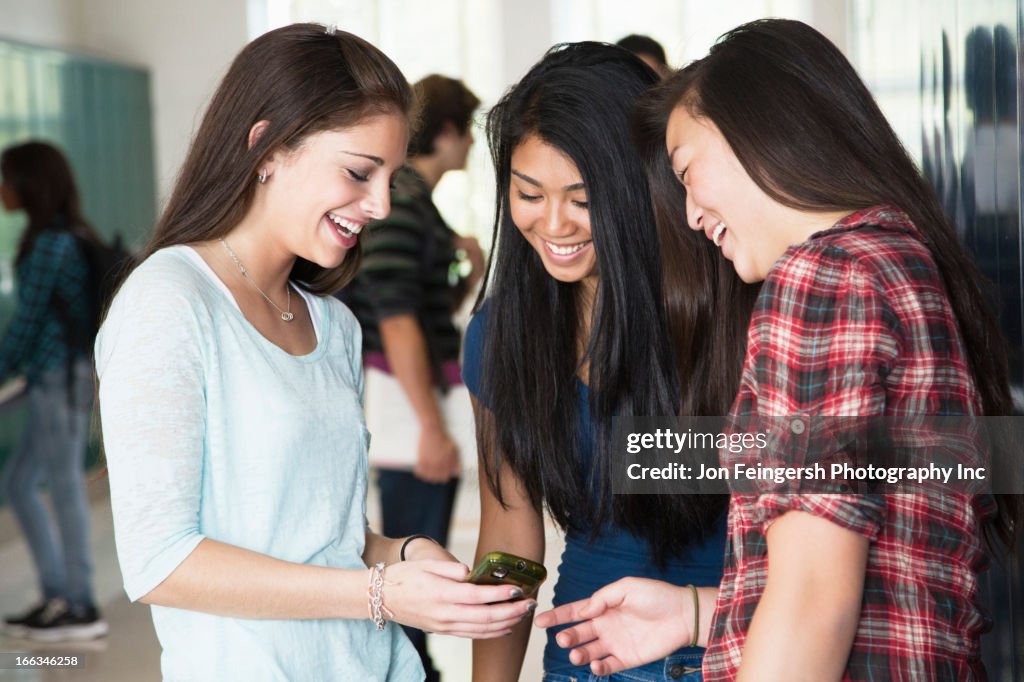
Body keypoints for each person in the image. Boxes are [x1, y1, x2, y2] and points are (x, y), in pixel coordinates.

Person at [537, 19, 1020, 682]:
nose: (690, 217)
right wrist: (698, 614)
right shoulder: (897, 258)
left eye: (685, 172)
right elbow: (888, 585)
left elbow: (815, 596)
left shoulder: (821, 279)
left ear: (755, 132)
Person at [94, 24, 535, 681]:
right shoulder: (169, 302)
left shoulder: (333, 323)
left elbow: (322, 539)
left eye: (390, 176)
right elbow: (162, 561)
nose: (381, 204)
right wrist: (380, 593)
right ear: (266, 148)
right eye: (359, 172)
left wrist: (404, 554)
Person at [466, 42, 754, 681]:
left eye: (583, 198)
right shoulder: (502, 335)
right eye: (529, 193)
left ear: (638, 187)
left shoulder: (737, 302)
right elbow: (510, 533)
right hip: (584, 660)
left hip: (733, 650)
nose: (554, 224)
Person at [344, 73, 485, 682]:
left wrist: (465, 269)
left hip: (420, 397)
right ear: (448, 133)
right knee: (412, 556)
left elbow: (424, 310)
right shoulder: (400, 197)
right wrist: (431, 426)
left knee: (420, 545)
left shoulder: (415, 202)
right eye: (470, 133)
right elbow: (397, 319)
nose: (473, 147)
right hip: (408, 408)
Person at [0, 141, 108, 641]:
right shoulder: (59, 236)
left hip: (61, 381)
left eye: (7, 178)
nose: (2, 188)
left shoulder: (52, 244)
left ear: (29, 183)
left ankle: (82, 608)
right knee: (21, 485)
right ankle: (57, 595)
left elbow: (27, 323)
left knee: (64, 490)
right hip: (53, 378)